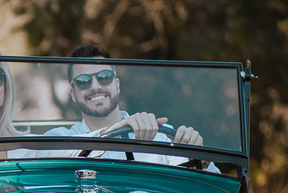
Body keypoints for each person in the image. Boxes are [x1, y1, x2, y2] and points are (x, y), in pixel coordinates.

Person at [43, 44, 208, 164]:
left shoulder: (162, 137)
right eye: (83, 81)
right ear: (73, 93)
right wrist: (112, 132)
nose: (95, 87)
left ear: (117, 84)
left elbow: (206, 189)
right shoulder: (58, 140)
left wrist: (196, 155)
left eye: (104, 77)